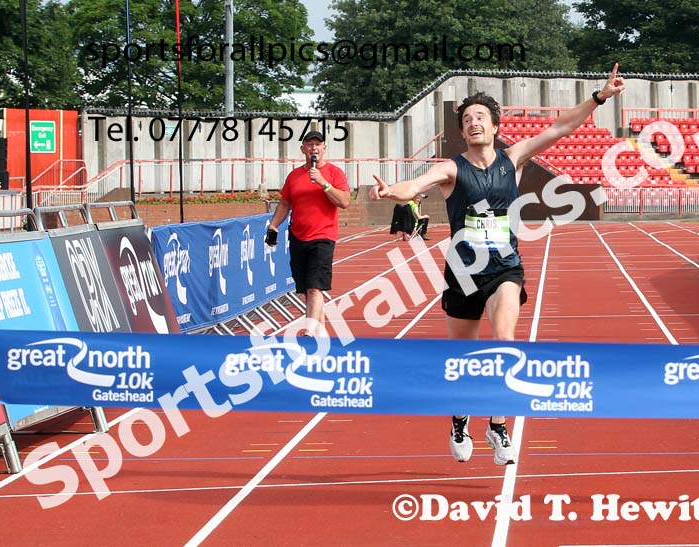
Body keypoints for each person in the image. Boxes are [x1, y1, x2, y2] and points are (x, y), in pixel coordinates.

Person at [369, 65, 624, 465]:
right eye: (466, 119)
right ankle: (459, 417)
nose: (472, 123)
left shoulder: (513, 158)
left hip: (505, 266)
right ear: (462, 130)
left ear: (494, 126)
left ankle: (498, 423)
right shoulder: (452, 168)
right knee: (462, 358)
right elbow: (414, 186)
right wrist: (390, 193)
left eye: (479, 118)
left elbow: (559, 129)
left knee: (504, 341)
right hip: (463, 273)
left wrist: (599, 97)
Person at [267, 130, 351, 337]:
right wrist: (273, 225)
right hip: (298, 236)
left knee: (315, 288)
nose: (314, 148)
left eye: (317, 144)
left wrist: (324, 183)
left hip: (323, 236)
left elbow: (344, 202)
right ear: (303, 149)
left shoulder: (334, 173)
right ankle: (321, 333)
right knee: (307, 290)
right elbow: (285, 203)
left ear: (324, 148)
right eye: (309, 144)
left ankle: (309, 333)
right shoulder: (294, 176)